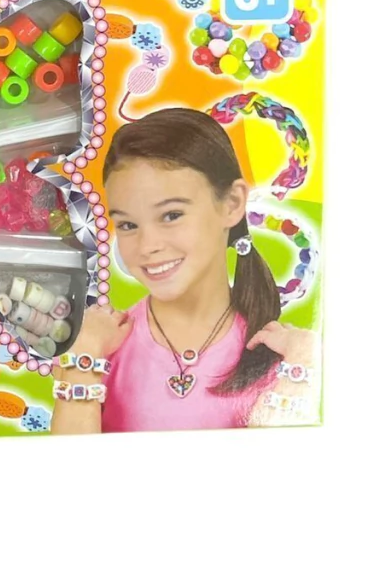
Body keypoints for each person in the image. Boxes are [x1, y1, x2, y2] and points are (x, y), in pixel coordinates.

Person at [51, 108, 318, 434]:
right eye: (128, 225)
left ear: (232, 203)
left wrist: (303, 364)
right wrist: (84, 356)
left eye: (171, 215)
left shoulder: (285, 353)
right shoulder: (98, 346)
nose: (148, 245)